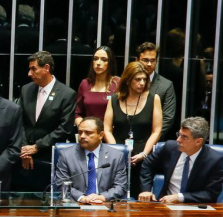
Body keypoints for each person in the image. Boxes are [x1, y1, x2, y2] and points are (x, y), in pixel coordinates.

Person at [17, 51, 77, 190]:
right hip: (23, 156)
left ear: (46, 68)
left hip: (48, 156)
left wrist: (36, 147)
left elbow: (64, 128)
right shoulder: (26, 90)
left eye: (34, 69)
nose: (29, 74)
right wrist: (25, 149)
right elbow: (19, 120)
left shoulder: (66, 94)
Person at [104, 61, 162, 198]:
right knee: (115, 194)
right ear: (128, 80)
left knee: (140, 194)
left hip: (143, 154)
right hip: (117, 153)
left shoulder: (153, 98)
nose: (142, 83)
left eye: (144, 79)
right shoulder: (114, 99)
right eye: (137, 79)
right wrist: (117, 151)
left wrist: (144, 154)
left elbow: (157, 130)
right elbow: (107, 129)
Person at [139, 117, 223, 203]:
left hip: (195, 207)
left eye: (184, 137)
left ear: (198, 142)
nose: (178, 140)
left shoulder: (215, 160)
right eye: (179, 134)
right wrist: (146, 190)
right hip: (165, 204)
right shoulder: (169, 148)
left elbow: (210, 194)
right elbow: (147, 164)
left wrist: (179, 197)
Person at [54, 117, 128, 203]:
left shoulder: (116, 156)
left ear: (101, 135)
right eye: (80, 132)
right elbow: (62, 183)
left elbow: (120, 186)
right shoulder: (66, 155)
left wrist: (102, 197)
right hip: (76, 203)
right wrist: (82, 198)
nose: (82, 136)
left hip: (106, 203)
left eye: (88, 133)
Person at [136, 42, 177, 140]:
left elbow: (168, 118)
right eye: (145, 60)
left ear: (156, 61)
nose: (149, 64)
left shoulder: (166, 85)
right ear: (137, 60)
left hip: (154, 140)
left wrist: (152, 137)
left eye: (152, 60)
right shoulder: (127, 82)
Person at [75, 46, 119, 125]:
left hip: (111, 129)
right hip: (88, 129)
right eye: (95, 59)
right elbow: (77, 113)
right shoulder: (85, 83)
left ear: (110, 62)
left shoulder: (117, 83)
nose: (98, 63)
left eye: (104, 59)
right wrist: (85, 127)